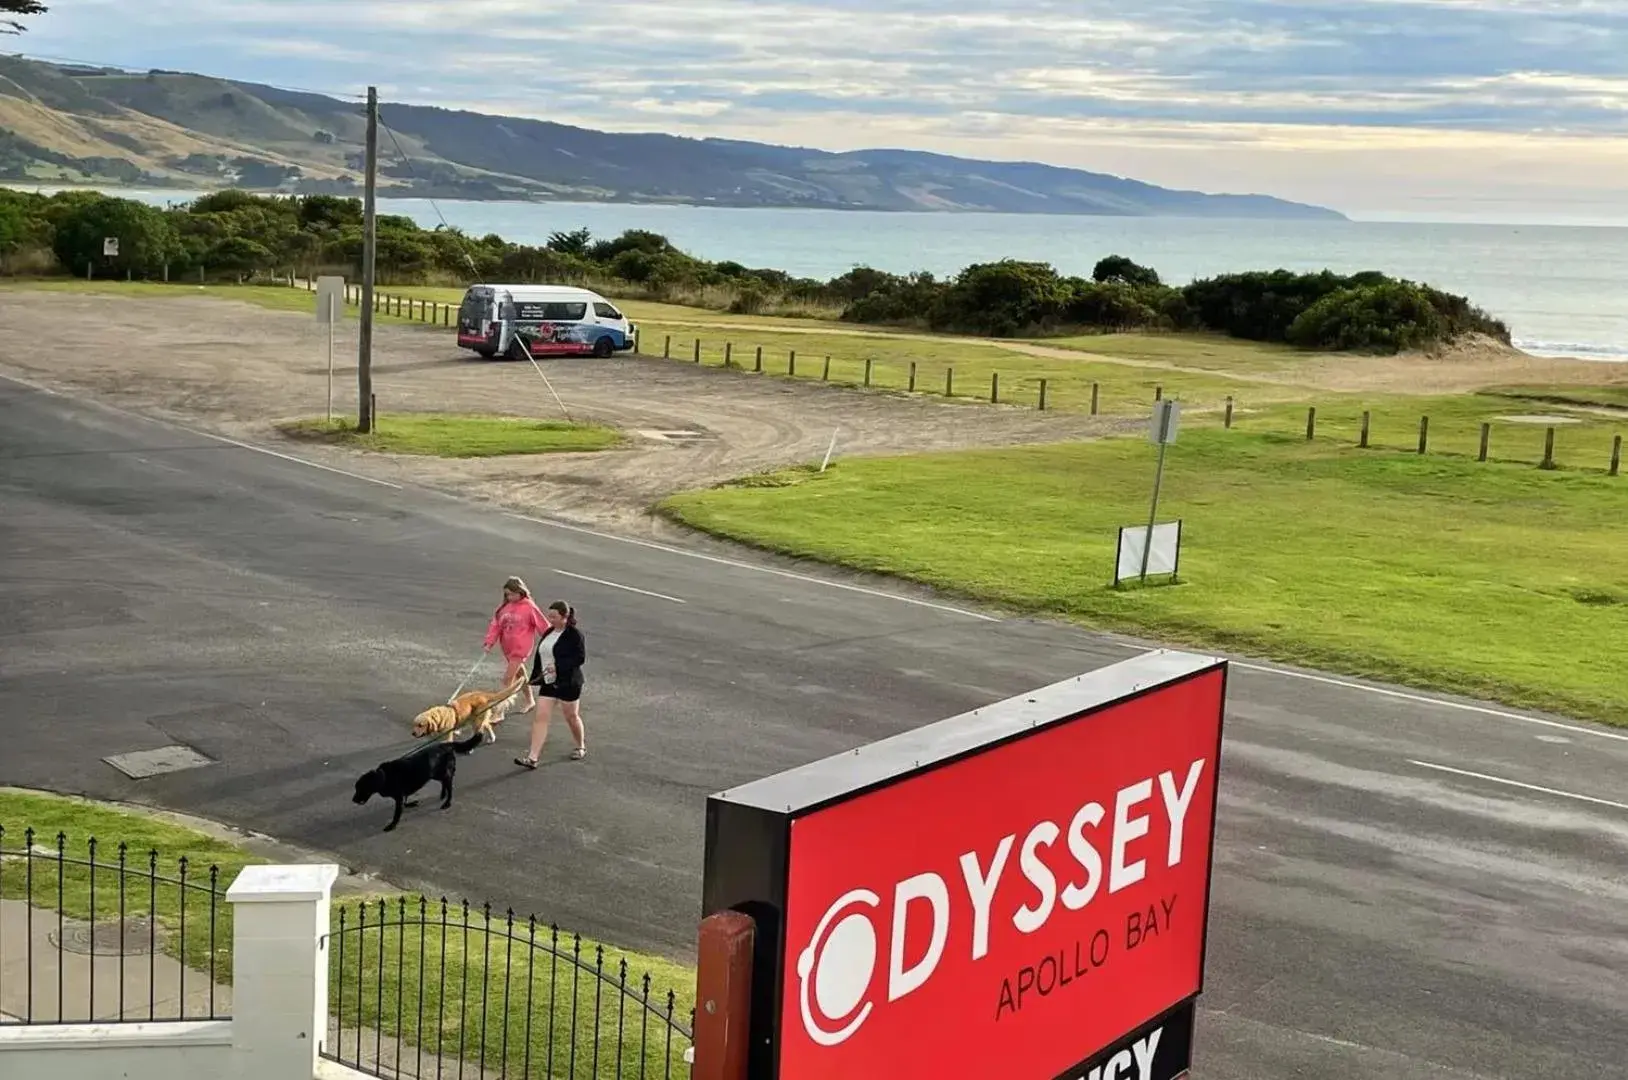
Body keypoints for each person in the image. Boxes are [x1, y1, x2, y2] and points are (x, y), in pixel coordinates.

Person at [514, 600, 587, 768]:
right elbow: (543, 655)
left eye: (554, 617)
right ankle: (532, 758)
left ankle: (580, 745)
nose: (550, 620)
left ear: (565, 617)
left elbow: (579, 658)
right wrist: (538, 676)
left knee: (571, 717)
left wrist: (558, 666)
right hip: (548, 682)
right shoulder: (548, 632)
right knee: (540, 718)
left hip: (568, 683)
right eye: (550, 616)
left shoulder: (574, 635)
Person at [483, 576, 549, 720]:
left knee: (507, 680)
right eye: (507, 594)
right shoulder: (504, 607)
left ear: (521, 592)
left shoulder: (529, 607)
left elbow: (543, 626)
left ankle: (499, 712)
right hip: (507, 647)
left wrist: (552, 642)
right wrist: (489, 642)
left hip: (520, 649)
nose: (510, 597)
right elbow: (496, 626)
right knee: (520, 675)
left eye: (512, 594)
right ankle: (530, 700)